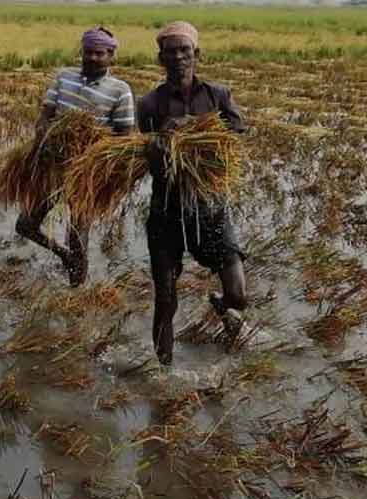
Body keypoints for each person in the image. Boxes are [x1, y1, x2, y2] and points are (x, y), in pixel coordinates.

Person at [137, 22, 247, 366]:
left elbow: (237, 132)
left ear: (196, 54)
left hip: (210, 205)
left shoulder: (217, 95)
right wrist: (160, 141)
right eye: (171, 51)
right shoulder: (150, 104)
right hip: (166, 208)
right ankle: (163, 373)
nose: (178, 57)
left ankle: (224, 308)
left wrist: (198, 130)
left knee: (238, 295)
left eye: (185, 50)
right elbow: (141, 155)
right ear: (160, 58)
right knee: (166, 299)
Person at [15, 27, 135, 287]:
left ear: (111, 55)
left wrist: (95, 155)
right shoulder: (64, 77)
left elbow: (124, 136)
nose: (91, 57)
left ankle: (76, 290)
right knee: (25, 225)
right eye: (87, 52)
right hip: (53, 166)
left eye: (98, 53)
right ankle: (63, 256)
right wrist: (43, 130)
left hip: (86, 173)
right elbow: (46, 113)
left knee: (78, 235)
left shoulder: (120, 90)